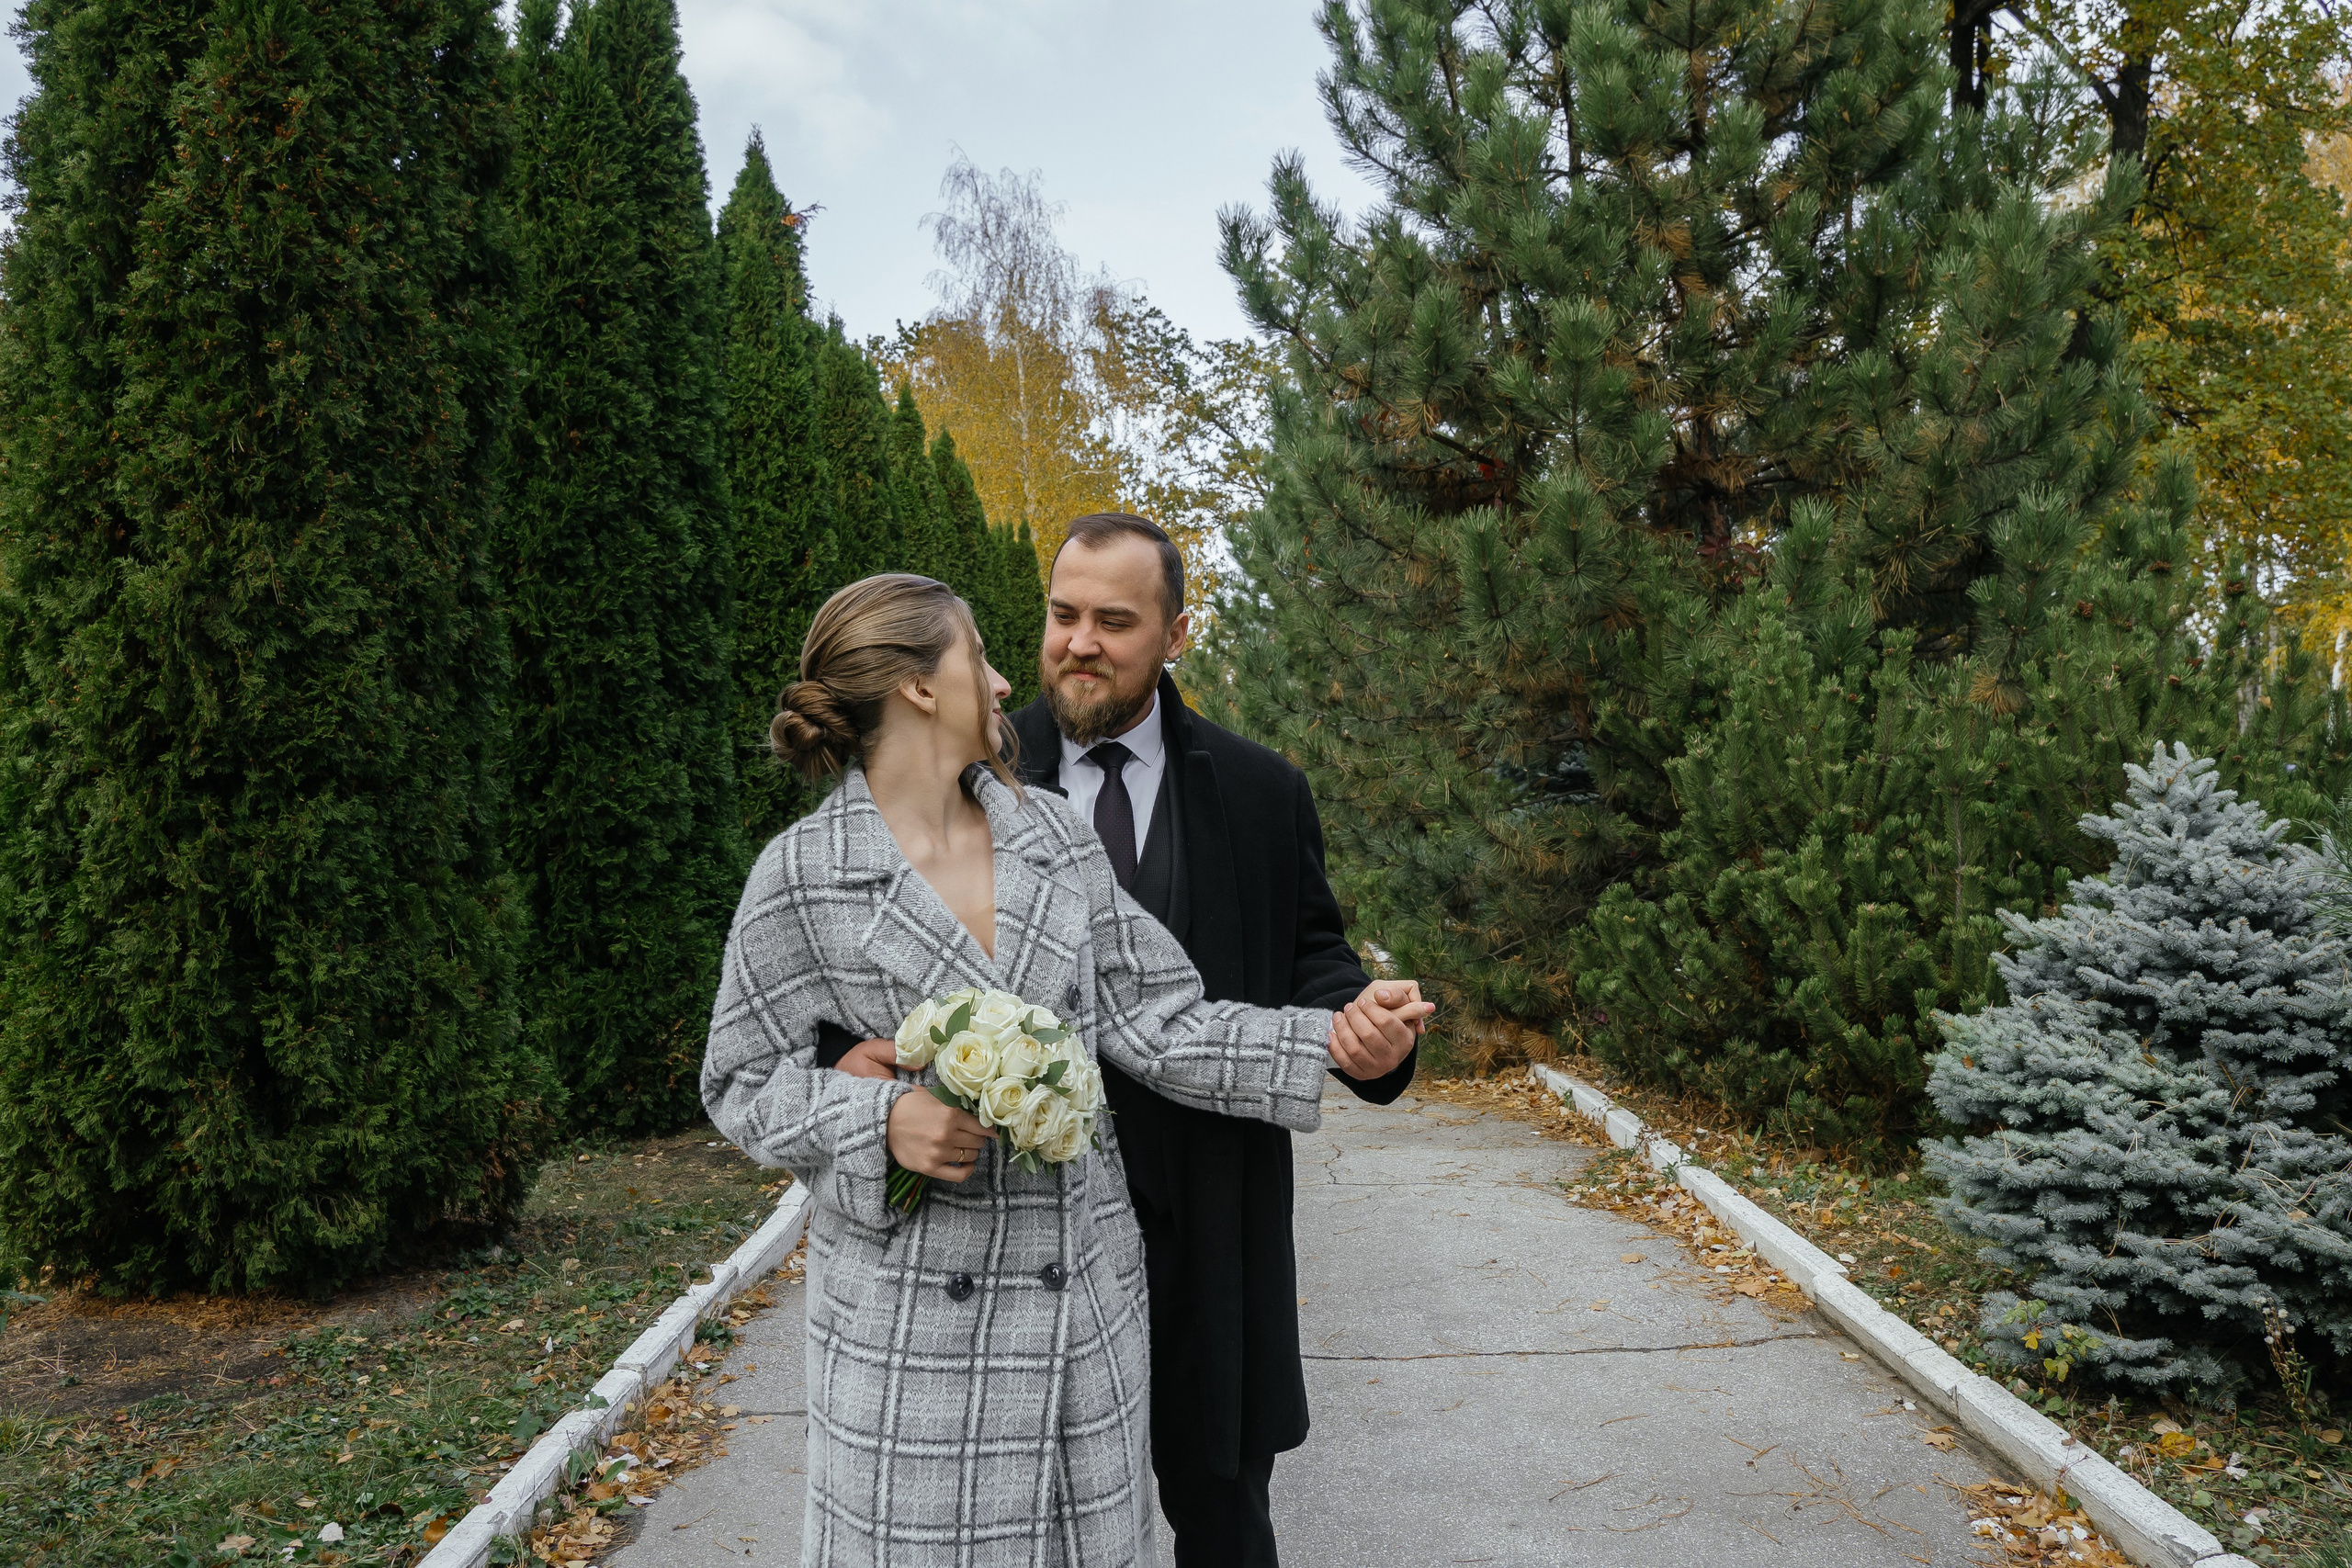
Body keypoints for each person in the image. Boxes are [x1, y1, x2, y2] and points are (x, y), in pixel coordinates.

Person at [701, 573, 1430, 1568]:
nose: (1005, 683)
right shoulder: (802, 875)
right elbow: (740, 1079)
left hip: (1081, 1303)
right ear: (919, 687)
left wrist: (1333, 1039)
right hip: (912, 1332)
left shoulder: (1047, 832)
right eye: (976, 658)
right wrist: (875, 1123)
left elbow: (1157, 1019)